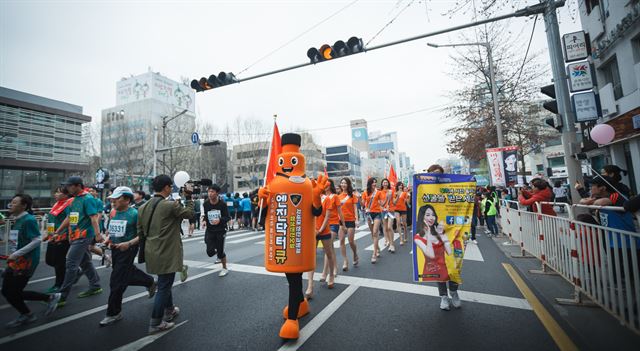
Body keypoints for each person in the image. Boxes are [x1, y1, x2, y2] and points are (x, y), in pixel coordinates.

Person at [137, 175, 195, 334]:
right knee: (163, 286)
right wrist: (189, 197)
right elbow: (189, 214)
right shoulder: (169, 205)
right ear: (167, 188)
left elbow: (140, 232)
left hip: (151, 251)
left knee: (164, 282)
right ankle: (155, 322)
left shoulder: (142, 207)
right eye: (170, 187)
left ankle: (169, 310)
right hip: (167, 251)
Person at [100, 187, 156, 327]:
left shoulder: (135, 214)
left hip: (129, 249)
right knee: (126, 274)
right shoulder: (113, 212)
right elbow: (111, 230)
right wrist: (107, 239)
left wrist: (129, 243)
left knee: (116, 281)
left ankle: (113, 313)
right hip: (115, 249)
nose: (112, 201)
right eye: (112, 198)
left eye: (116, 198)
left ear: (126, 200)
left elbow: (143, 234)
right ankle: (150, 281)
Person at [2, 194, 61, 328]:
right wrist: (13, 254)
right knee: (7, 291)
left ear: (24, 206)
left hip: (25, 262)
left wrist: (16, 254)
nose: (11, 204)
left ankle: (31, 312)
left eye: (14, 202)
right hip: (16, 260)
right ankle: (46, 300)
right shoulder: (16, 219)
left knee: (13, 292)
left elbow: (37, 240)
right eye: (11, 202)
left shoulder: (28, 220)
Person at [53, 176, 103, 307]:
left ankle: (62, 296)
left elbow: (94, 218)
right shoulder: (72, 200)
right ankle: (95, 285)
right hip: (75, 236)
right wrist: (58, 232)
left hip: (84, 236)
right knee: (85, 262)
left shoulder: (88, 199)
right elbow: (70, 218)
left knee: (70, 263)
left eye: (69, 186)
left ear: (78, 186)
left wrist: (98, 235)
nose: (67, 188)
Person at [413, 204, 460, 311]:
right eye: (428, 215)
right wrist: (429, 235)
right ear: (422, 217)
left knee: (454, 272)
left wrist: (443, 236)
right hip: (434, 265)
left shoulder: (439, 230)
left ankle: (453, 291)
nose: (431, 218)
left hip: (447, 263)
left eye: (433, 215)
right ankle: (443, 297)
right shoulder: (418, 237)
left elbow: (449, 251)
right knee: (440, 277)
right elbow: (431, 255)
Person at [306, 179, 337, 298]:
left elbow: (327, 217)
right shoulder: (310, 198)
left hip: (324, 230)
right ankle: (310, 285)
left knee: (329, 254)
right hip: (312, 231)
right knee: (311, 257)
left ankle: (331, 275)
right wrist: (313, 229)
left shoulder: (328, 199)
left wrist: (319, 230)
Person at [44, 186, 73, 293]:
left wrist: (66, 235)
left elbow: (70, 220)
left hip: (62, 238)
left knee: (59, 263)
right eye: (55, 192)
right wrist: (48, 233)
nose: (55, 194)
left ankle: (59, 284)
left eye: (58, 192)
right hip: (53, 236)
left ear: (66, 194)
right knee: (49, 260)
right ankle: (74, 271)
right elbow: (51, 220)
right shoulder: (56, 204)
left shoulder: (68, 205)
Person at [202, 184, 231, 277]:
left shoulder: (222, 204)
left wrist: (220, 220)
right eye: (209, 191)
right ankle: (216, 251)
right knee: (210, 252)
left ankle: (224, 268)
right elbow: (206, 215)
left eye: (212, 192)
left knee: (220, 252)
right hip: (210, 230)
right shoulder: (206, 203)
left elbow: (228, 217)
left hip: (220, 230)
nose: (210, 194)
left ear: (217, 193)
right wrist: (204, 221)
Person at [320, 179, 341, 281]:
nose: (326, 186)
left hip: (333, 224)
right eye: (324, 184)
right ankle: (335, 268)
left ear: (331, 185)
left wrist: (344, 225)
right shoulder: (321, 197)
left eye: (328, 184)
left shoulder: (335, 196)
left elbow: (339, 212)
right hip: (323, 224)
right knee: (330, 248)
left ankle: (325, 272)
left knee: (328, 247)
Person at [338, 177, 359, 271]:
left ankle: (355, 254)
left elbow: (355, 208)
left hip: (350, 220)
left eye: (345, 183)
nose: (343, 185)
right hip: (341, 221)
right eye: (342, 183)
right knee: (341, 240)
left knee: (350, 241)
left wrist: (357, 219)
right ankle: (345, 260)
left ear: (348, 184)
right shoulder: (338, 197)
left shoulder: (352, 196)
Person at [364, 178, 383, 263]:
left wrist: (387, 198)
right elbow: (363, 204)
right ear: (370, 184)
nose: (374, 184)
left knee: (375, 232)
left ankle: (374, 253)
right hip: (369, 214)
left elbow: (382, 203)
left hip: (377, 213)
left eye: (375, 182)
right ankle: (377, 248)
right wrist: (359, 199)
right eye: (373, 182)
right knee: (373, 234)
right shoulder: (365, 192)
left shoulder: (378, 192)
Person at [379, 178, 395, 253]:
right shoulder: (379, 192)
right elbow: (380, 203)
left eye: (386, 182)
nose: (385, 184)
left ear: (388, 183)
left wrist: (396, 196)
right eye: (384, 182)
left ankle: (392, 244)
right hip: (383, 211)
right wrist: (383, 207)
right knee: (385, 227)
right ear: (382, 184)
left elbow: (394, 202)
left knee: (389, 227)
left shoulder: (391, 191)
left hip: (391, 210)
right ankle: (387, 240)